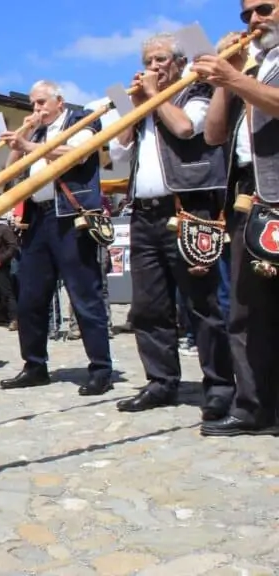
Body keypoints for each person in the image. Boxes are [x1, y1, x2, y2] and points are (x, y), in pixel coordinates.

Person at [106, 33, 234, 421]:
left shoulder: (196, 92)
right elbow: (119, 149)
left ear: (178, 63)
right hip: (144, 213)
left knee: (201, 303)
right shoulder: (144, 101)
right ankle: (160, 381)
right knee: (149, 306)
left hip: (187, 207)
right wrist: (133, 105)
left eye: (160, 59)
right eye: (148, 60)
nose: (153, 67)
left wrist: (154, 97)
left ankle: (219, 386)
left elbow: (185, 129)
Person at [0, 80, 113, 396]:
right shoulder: (33, 133)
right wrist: (21, 137)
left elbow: (76, 153)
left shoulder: (82, 118)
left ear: (59, 100)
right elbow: (10, 170)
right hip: (37, 218)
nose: (35, 110)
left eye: (40, 103)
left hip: (70, 218)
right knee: (30, 297)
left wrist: (31, 147)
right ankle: (34, 365)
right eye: (33, 104)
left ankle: (101, 369)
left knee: (84, 295)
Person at [193, 7, 279, 436]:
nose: (253, 20)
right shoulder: (255, 66)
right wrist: (226, 80)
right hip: (251, 197)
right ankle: (253, 409)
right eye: (247, 13)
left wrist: (236, 79)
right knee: (247, 313)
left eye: (265, 8)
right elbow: (212, 135)